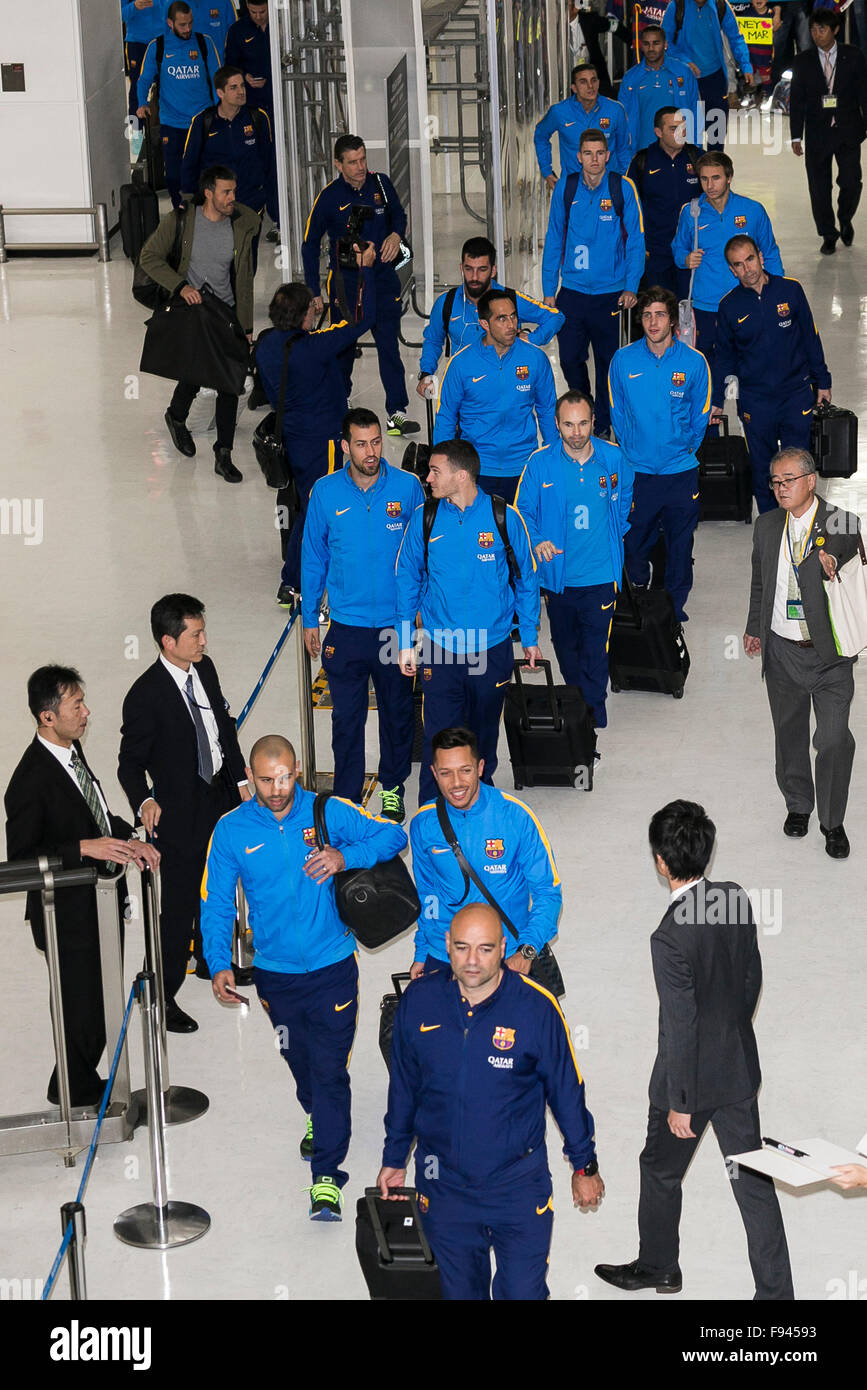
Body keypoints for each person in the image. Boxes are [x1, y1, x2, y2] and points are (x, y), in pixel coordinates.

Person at [202, 734, 407, 1220]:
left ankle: (326, 1178)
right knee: (300, 1060)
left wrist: (344, 857)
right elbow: (215, 902)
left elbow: (392, 834)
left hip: (334, 965)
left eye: (286, 777)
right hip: (275, 976)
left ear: (299, 770)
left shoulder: (326, 811)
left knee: (331, 1070)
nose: (277, 789)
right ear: (250, 776)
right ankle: (317, 1115)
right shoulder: (231, 830)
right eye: (267, 779)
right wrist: (218, 963)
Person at [595, 800, 794, 1299]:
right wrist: (730, 1033)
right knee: (753, 1182)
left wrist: (681, 1100)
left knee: (660, 1171)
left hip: (687, 1083)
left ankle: (659, 1266)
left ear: (662, 863)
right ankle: (777, 1296)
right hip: (738, 1070)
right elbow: (752, 977)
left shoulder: (669, 939)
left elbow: (680, 1025)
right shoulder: (733, 897)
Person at [377, 902, 604, 1301]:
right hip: (443, 1187)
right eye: (462, 947)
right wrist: (395, 1159)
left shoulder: (536, 1008)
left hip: (517, 1186)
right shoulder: (419, 1001)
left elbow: (566, 1090)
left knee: (523, 1293)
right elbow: (405, 1088)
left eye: (485, 949)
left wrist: (584, 1164)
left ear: (504, 947)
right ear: (446, 944)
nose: (472, 961)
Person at [4, 667, 159, 1107]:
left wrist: (128, 837)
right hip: (66, 917)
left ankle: (77, 1078)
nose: (87, 712)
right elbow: (20, 859)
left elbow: (96, 812)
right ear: (47, 717)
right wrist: (84, 847)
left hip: (99, 906)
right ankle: (72, 1087)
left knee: (98, 999)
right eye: (76, 706)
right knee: (81, 1005)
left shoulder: (71, 755)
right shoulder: (28, 781)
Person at [118, 594, 250, 1031]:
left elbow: (223, 728)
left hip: (220, 797)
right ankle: (162, 994)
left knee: (220, 885)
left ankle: (214, 961)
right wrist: (144, 801)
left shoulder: (204, 670)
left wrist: (243, 782)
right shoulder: (145, 696)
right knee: (176, 909)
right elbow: (128, 763)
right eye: (195, 634)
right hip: (178, 815)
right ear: (168, 641)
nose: (204, 641)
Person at [395, 438, 541, 805]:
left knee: (483, 735)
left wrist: (529, 635)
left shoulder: (503, 517)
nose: (427, 478)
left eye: (434, 471)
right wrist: (403, 641)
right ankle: (431, 811)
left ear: (461, 475)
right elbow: (407, 579)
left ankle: (481, 804)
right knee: (438, 737)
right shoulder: (424, 520)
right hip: (440, 651)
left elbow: (526, 578)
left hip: (491, 649)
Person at [301, 408, 424, 825]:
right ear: (344, 445)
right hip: (347, 628)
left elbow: (423, 554)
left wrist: (420, 610)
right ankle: (348, 797)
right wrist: (308, 618)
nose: (370, 452)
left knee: (397, 711)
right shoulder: (324, 492)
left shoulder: (409, 489)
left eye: (375, 442)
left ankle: (392, 788)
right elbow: (313, 557)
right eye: (361, 443)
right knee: (346, 718)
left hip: (396, 626)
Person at [744, 448, 861, 859]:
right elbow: (760, 581)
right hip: (782, 651)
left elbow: (845, 547)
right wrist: (753, 628)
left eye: (789, 479)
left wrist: (830, 557)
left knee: (832, 740)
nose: (781, 489)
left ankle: (833, 821)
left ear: (811, 480)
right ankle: (798, 804)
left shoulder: (841, 521)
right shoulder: (767, 526)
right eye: (775, 482)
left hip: (830, 655)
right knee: (789, 734)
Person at [255, 251, 377, 601]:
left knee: (309, 503)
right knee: (317, 508)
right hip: (321, 439)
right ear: (303, 315)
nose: (316, 311)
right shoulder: (314, 347)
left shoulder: (266, 344)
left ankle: (302, 573)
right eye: (311, 308)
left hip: (292, 435)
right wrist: (364, 272)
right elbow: (363, 319)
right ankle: (294, 579)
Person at [516, 390, 633, 730]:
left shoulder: (613, 458)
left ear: (594, 422)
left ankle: (592, 711)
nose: (577, 432)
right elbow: (523, 511)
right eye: (568, 424)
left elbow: (624, 496)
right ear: (556, 424)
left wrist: (616, 530)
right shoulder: (539, 463)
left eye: (583, 423)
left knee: (596, 649)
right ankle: (577, 698)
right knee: (566, 647)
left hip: (600, 577)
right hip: (558, 579)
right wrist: (537, 541)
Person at [409, 727, 562, 973]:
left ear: (480, 768)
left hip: (507, 954)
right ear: (434, 773)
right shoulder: (423, 823)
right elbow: (428, 894)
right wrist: (424, 951)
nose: (456, 783)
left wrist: (527, 950)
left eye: (465, 770)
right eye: (446, 773)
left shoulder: (516, 816)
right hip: (446, 954)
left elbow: (548, 893)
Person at [139, 165, 258, 483]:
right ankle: (178, 418)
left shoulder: (242, 225)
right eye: (226, 192)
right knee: (198, 372)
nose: (233, 197)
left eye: (234, 190)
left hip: (227, 313)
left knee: (230, 382)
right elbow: (149, 256)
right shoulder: (180, 221)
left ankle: (223, 453)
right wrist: (181, 286)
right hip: (194, 312)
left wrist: (246, 327)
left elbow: (244, 280)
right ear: (208, 193)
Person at [302, 134, 418, 438]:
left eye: (363, 159)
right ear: (338, 164)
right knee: (342, 347)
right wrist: (314, 291)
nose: (360, 167)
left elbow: (399, 215)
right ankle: (340, 408)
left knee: (389, 347)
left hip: (382, 278)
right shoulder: (328, 198)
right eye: (352, 162)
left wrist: (395, 236)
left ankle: (397, 414)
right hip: (346, 282)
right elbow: (309, 244)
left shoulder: (380, 183)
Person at [609, 286, 710, 622]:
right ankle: (638, 590)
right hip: (637, 473)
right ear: (641, 320)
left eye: (660, 314)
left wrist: (682, 449)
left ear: (672, 321)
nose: (653, 322)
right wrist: (633, 451)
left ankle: (673, 606)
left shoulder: (694, 363)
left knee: (680, 545)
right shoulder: (623, 361)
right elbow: (617, 414)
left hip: (680, 472)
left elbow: (701, 414)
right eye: (647, 315)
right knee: (634, 540)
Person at [711, 235, 832, 514]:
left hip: (795, 396)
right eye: (738, 265)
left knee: (798, 466)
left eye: (750, 259)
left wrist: (822, 381)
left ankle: (801, 520)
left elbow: (810, 339)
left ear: (761, 257)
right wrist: (716, 399)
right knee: (764, 467)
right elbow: (724, 358)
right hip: (756, 401)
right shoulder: (729, 306)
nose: (747, 269)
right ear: (732, 270)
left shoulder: (791, 291)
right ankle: (770, 525)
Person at [541, 129, 645, 440]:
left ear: (608, 154)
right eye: (588, 154)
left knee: (608, 362)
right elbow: (554, 238)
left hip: (611, 294)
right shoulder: (566, 187)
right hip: (572, 292)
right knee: (571, 357)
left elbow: (636, 241)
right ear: (579, 156)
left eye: (600, 153)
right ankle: (582, 408)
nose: (594, 159)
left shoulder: (622, 188)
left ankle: (601, 423)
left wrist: (631, 286)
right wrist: (549, 290)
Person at [433, 288, 558, 504]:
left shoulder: (535, 359)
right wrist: (442, 469)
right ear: (484, 324)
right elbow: (446, 418)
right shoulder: (461, 364)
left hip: (523, 466)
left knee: (522, 534)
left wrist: (554, 457)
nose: (512, 325)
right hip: (476, 469)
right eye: (502, 319)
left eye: (513, 316)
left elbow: (548, 411)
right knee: (480, 537)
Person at [671, 150, 783, 370]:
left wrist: (776, 290)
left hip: (746, 298)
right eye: (704, 179)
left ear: (729, 177)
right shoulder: (690, 213)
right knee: (708, 367)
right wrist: (685, 259)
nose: (709, 185)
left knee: (752, 363)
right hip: (705, 305)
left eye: (716, 178)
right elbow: (677, 249)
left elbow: (769, 252)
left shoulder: (753, 210)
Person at [416, 236, 564, 401]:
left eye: (482, 269)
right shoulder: (446, 303)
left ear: (493, 270)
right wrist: (426, 373)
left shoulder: (510, 299)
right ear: (461, 268)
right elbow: (433, 340)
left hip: (505, 390)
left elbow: (555, 316)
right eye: (469, 269)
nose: (474, 277)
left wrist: (532, 339)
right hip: (463, 391)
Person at [790, 7, 867, 255]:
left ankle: (845, 217)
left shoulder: (853, 56)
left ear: (835, 30)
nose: (816, 34)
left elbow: (864, 93)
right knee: (819, 188)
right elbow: (797, 100)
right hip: (817, 133)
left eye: (822, 29)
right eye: (813, 29)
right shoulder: (803, 60)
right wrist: (795, 135)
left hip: (848, 130)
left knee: (851, 181)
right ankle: (828, 232)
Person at [135, 1, 221, 210]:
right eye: (182, 25)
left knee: (206, 173)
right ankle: (180, 211)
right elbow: (143, 80)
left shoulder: (204, 42)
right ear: (170, 23)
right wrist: (142, 103)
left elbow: (218, 77)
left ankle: (205, 212)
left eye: (190, 23)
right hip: (172, 122)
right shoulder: (158, 47)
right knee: (174, 176)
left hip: (202, 121)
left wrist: (219, 110)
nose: (188, 29)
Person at [180, 66, 277, 242]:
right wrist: (189, 201)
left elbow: (269, 162)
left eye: (242, 86)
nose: (241, 92)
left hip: (251, 201)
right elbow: (189, 165)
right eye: (233, 88)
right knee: (221, 259)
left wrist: (268, 197)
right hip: (216, 205)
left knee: (248, 258)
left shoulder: (258, 118)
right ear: (220, 93)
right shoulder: (203, 122)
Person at [628, 107, 702, 299]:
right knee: (657, 307)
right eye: (673, 128)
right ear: (658, 132)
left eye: (683, 127)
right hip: (655, 252)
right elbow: (630, 209)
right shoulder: (642, 162)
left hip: (691, 252)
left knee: (690, 308)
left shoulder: (698, 158)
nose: (681, 132)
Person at [662, 0, 755, 151]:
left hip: (714, 78)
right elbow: (665, 40)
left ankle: (714, 168)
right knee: (686, 133)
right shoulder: (677, 6)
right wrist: (685, 61)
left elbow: (736, 38)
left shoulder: (721, 5)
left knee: (717, 133)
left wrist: (746, 65)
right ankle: (687, 170)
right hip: (684, 80)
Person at [534, 62, 632, 181]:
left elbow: (624, 150)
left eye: (593, 80)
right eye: (583, 82)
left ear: (599, 83)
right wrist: (547, 172)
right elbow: (540, 136)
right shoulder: (559, 112)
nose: (590, 86)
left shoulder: (615, 110)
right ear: (574, 88)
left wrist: (624, 180)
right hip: (573, 186)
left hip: (608, 185)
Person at [618, 25, 701, 149]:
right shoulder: (630, 78)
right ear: (641, 46)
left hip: (678, 149)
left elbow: (695, 111)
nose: (651, 48)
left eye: (656, 43)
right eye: (646, 44)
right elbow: (622, 119)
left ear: (665, 44)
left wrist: (696, 147)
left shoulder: (684, 72)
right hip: (644, 150)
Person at [225, 0, 273, 118]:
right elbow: (230, 64)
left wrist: (270, 76)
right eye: (253, 12)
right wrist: (244, 75)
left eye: (262, 12)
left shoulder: (281, 26)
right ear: (247, 5)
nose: (258, 16)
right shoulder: (237, 30)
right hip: (250, 98)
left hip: (278, 94)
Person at [122, 0, 164, 121]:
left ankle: (164, 133)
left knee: (166, 86)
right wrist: (134, 6)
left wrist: (158, 4)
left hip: (162, 40)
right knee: (136, 88)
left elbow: (174, 8)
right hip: (136, 43)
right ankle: (136, 136)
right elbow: (120, 15)